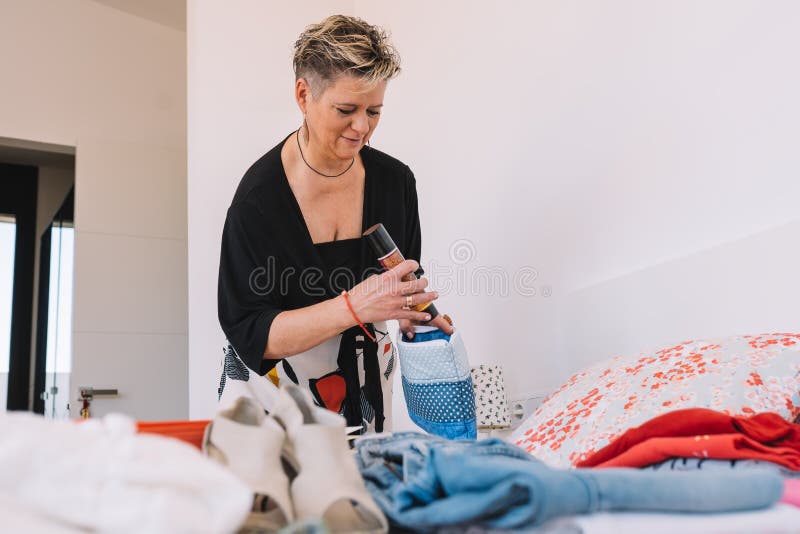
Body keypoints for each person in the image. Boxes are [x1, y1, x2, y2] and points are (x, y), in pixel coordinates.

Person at [217, 14, 453, 433]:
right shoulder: (257, 202)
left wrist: (414, 314)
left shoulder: (396, 183)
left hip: (366, 392)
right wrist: (353, 307)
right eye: (346, 109)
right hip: (274, 400)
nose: (362, 127)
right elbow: (251, 334)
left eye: (374, 111)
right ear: (303, 95)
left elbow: (402, 280)